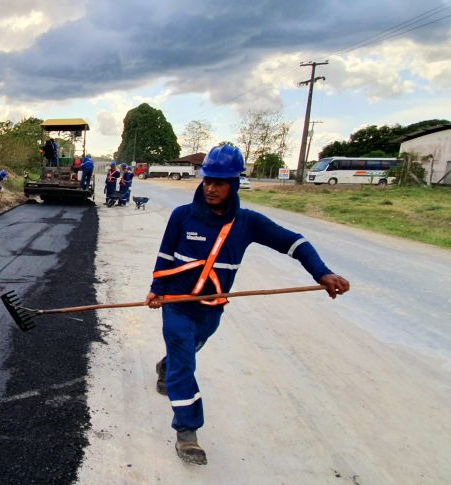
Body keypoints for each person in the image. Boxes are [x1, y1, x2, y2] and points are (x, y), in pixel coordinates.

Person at [145, 144, 350, 466]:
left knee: (184, 353)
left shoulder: (247, 223)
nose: (211, 188)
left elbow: (294, 243)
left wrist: (322, 272)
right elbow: (165, 255)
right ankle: (187, 433)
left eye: (220, 182)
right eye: (208, 180)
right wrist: (156, 290)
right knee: (185, 363)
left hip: (211, 309)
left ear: (234, 184)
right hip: (176, 305)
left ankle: (165, 367)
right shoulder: (181, 216)